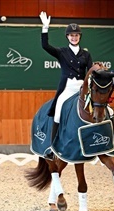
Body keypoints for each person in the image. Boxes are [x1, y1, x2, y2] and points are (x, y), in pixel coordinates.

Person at [39, 11, 93, 158]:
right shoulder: (62, 52)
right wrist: (45, 28)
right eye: (71, 35)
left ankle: (100, 143)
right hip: (68, 89)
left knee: (102, 110)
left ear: (79, 37)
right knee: (58, 112)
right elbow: (45, 46)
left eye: (76, 35)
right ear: (67, 37)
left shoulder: (86, 55)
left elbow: (91, 72)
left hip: (82, 89)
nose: (74, 37)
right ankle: (52, 147)